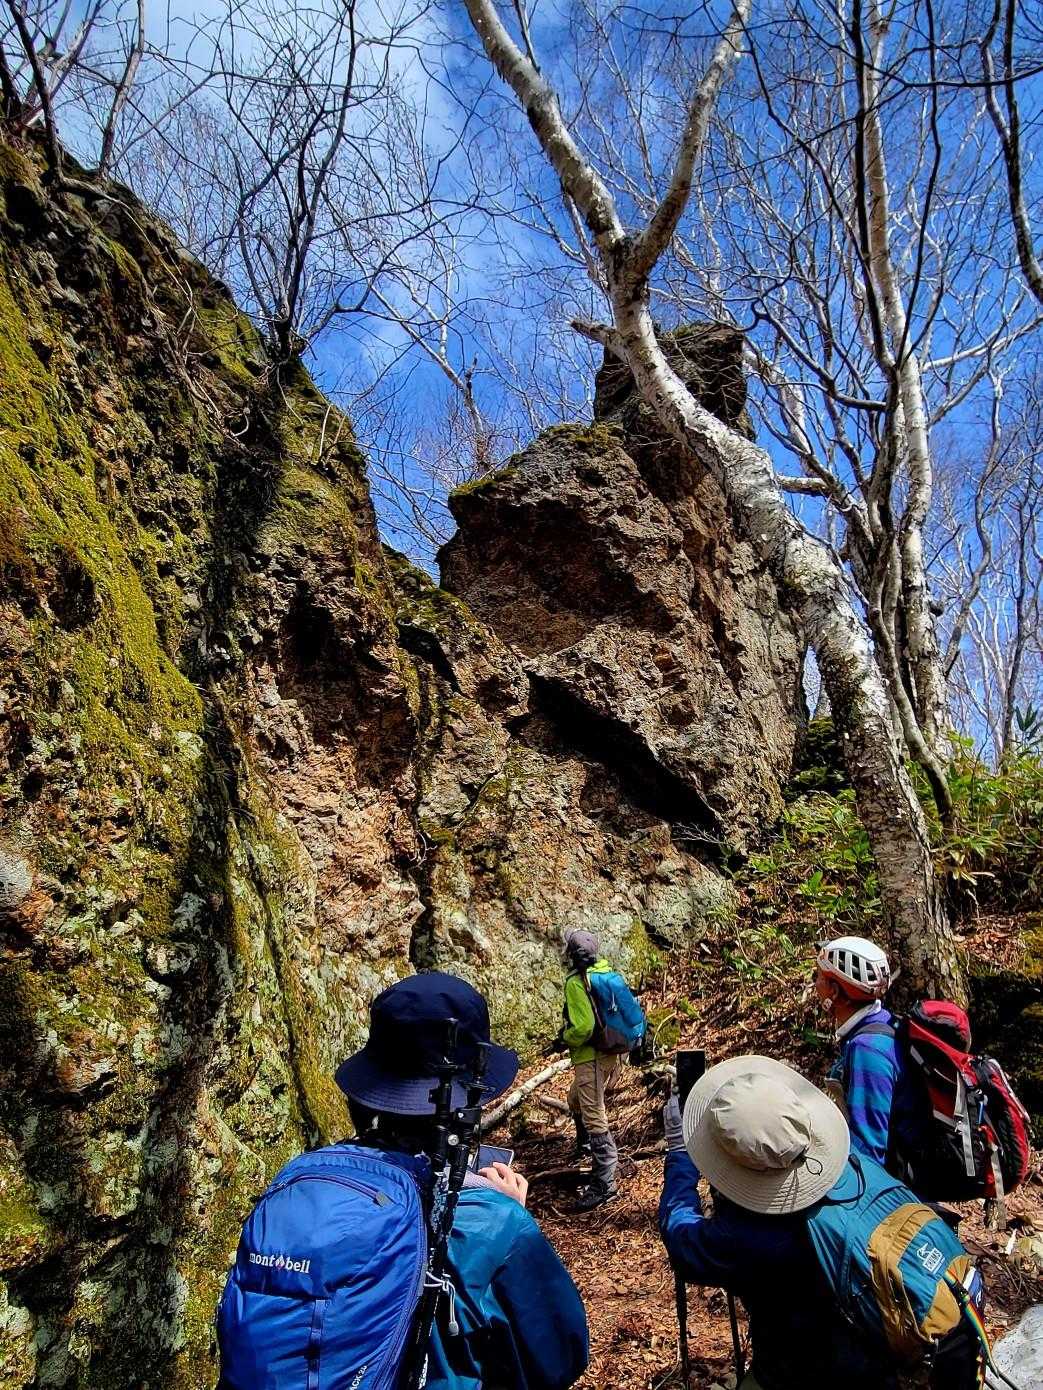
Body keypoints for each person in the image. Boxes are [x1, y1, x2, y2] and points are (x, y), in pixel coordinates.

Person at [659, 1055, 984, 1390]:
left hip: (827, 1371)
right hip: (899, 1345)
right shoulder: (852, 1161)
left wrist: (681, 1153)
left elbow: (682, 1239)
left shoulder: (755, 1235)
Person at [335, 972, 590, 1389]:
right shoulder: (496, 1221)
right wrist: (507, 1220)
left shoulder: (311, 1180)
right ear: (469, 1097)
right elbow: (560, 1357)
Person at [814, 935, 901, 1166]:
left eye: (818, 977)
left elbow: (869, 1152)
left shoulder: (867, 1050)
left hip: (896, 1183)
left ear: (834, 991)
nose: (815, 985)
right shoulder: (885, 1022)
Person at [558, 928, 623, 1211]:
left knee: (594, 1114)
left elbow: (583, 1027)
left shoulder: (576, 983)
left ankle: (604, 1183)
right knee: (575, 1100)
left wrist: (565, 1037)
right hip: (611, 1052)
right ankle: (585, 1146)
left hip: (591, 1058)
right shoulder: (606, 972)